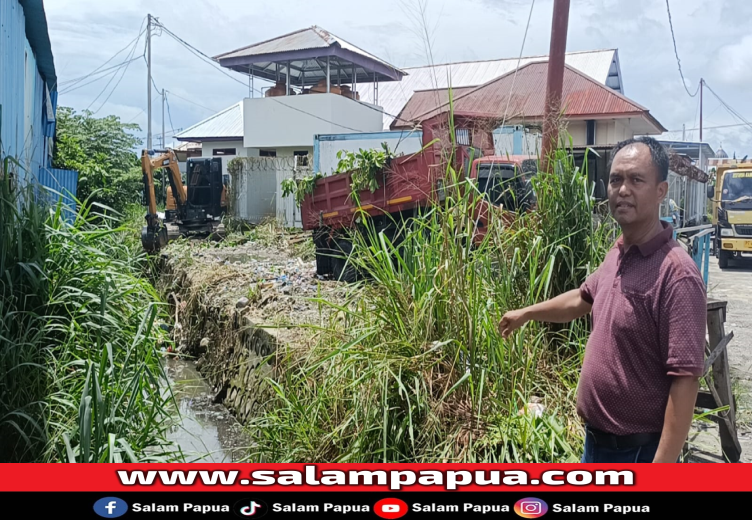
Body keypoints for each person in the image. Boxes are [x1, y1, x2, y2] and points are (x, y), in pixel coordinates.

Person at [499, 137, 706, 463]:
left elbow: (686, 381)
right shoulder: (619, 250)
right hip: (596, 444)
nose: (622, 189)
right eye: (615, 179)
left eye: (636, 179)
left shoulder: (677, 275)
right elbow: (583, 298)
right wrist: (527, 313)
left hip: (638, 452)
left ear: (661, 191)